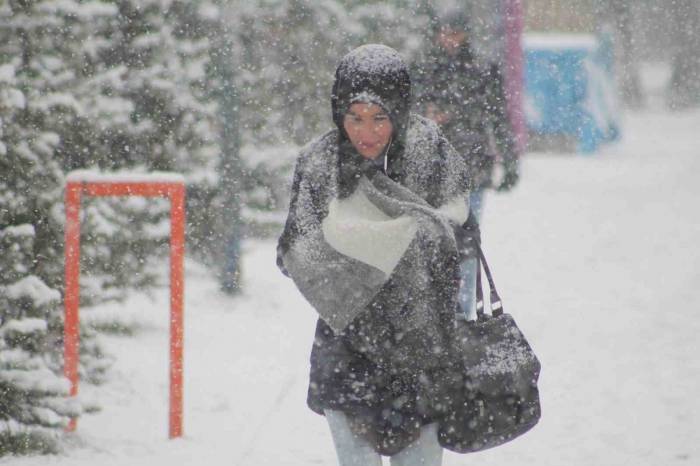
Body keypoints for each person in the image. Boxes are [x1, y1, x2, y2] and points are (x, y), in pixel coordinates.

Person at [277, 44, 474, 466]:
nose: (367, 132)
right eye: (355, 117)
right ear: (338, 113)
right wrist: (361, 261)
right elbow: (293, 251)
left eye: (380, 117)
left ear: (399, 111)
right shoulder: (320, 164)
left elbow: (460, 238)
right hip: (349, 351)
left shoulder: (429, 153)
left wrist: (388, 243)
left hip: (420, 354)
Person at [413, 9, 520, 320]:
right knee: (431, 243)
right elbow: (407, 116)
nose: (449, 39)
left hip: (470, 169)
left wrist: (509, 162)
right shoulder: (423, 70)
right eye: (445, 32)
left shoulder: (481, 71)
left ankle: (460, 312)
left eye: (455, 32)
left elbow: (498, 119)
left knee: (466, 243)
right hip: (429, 172)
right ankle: (437, 311)